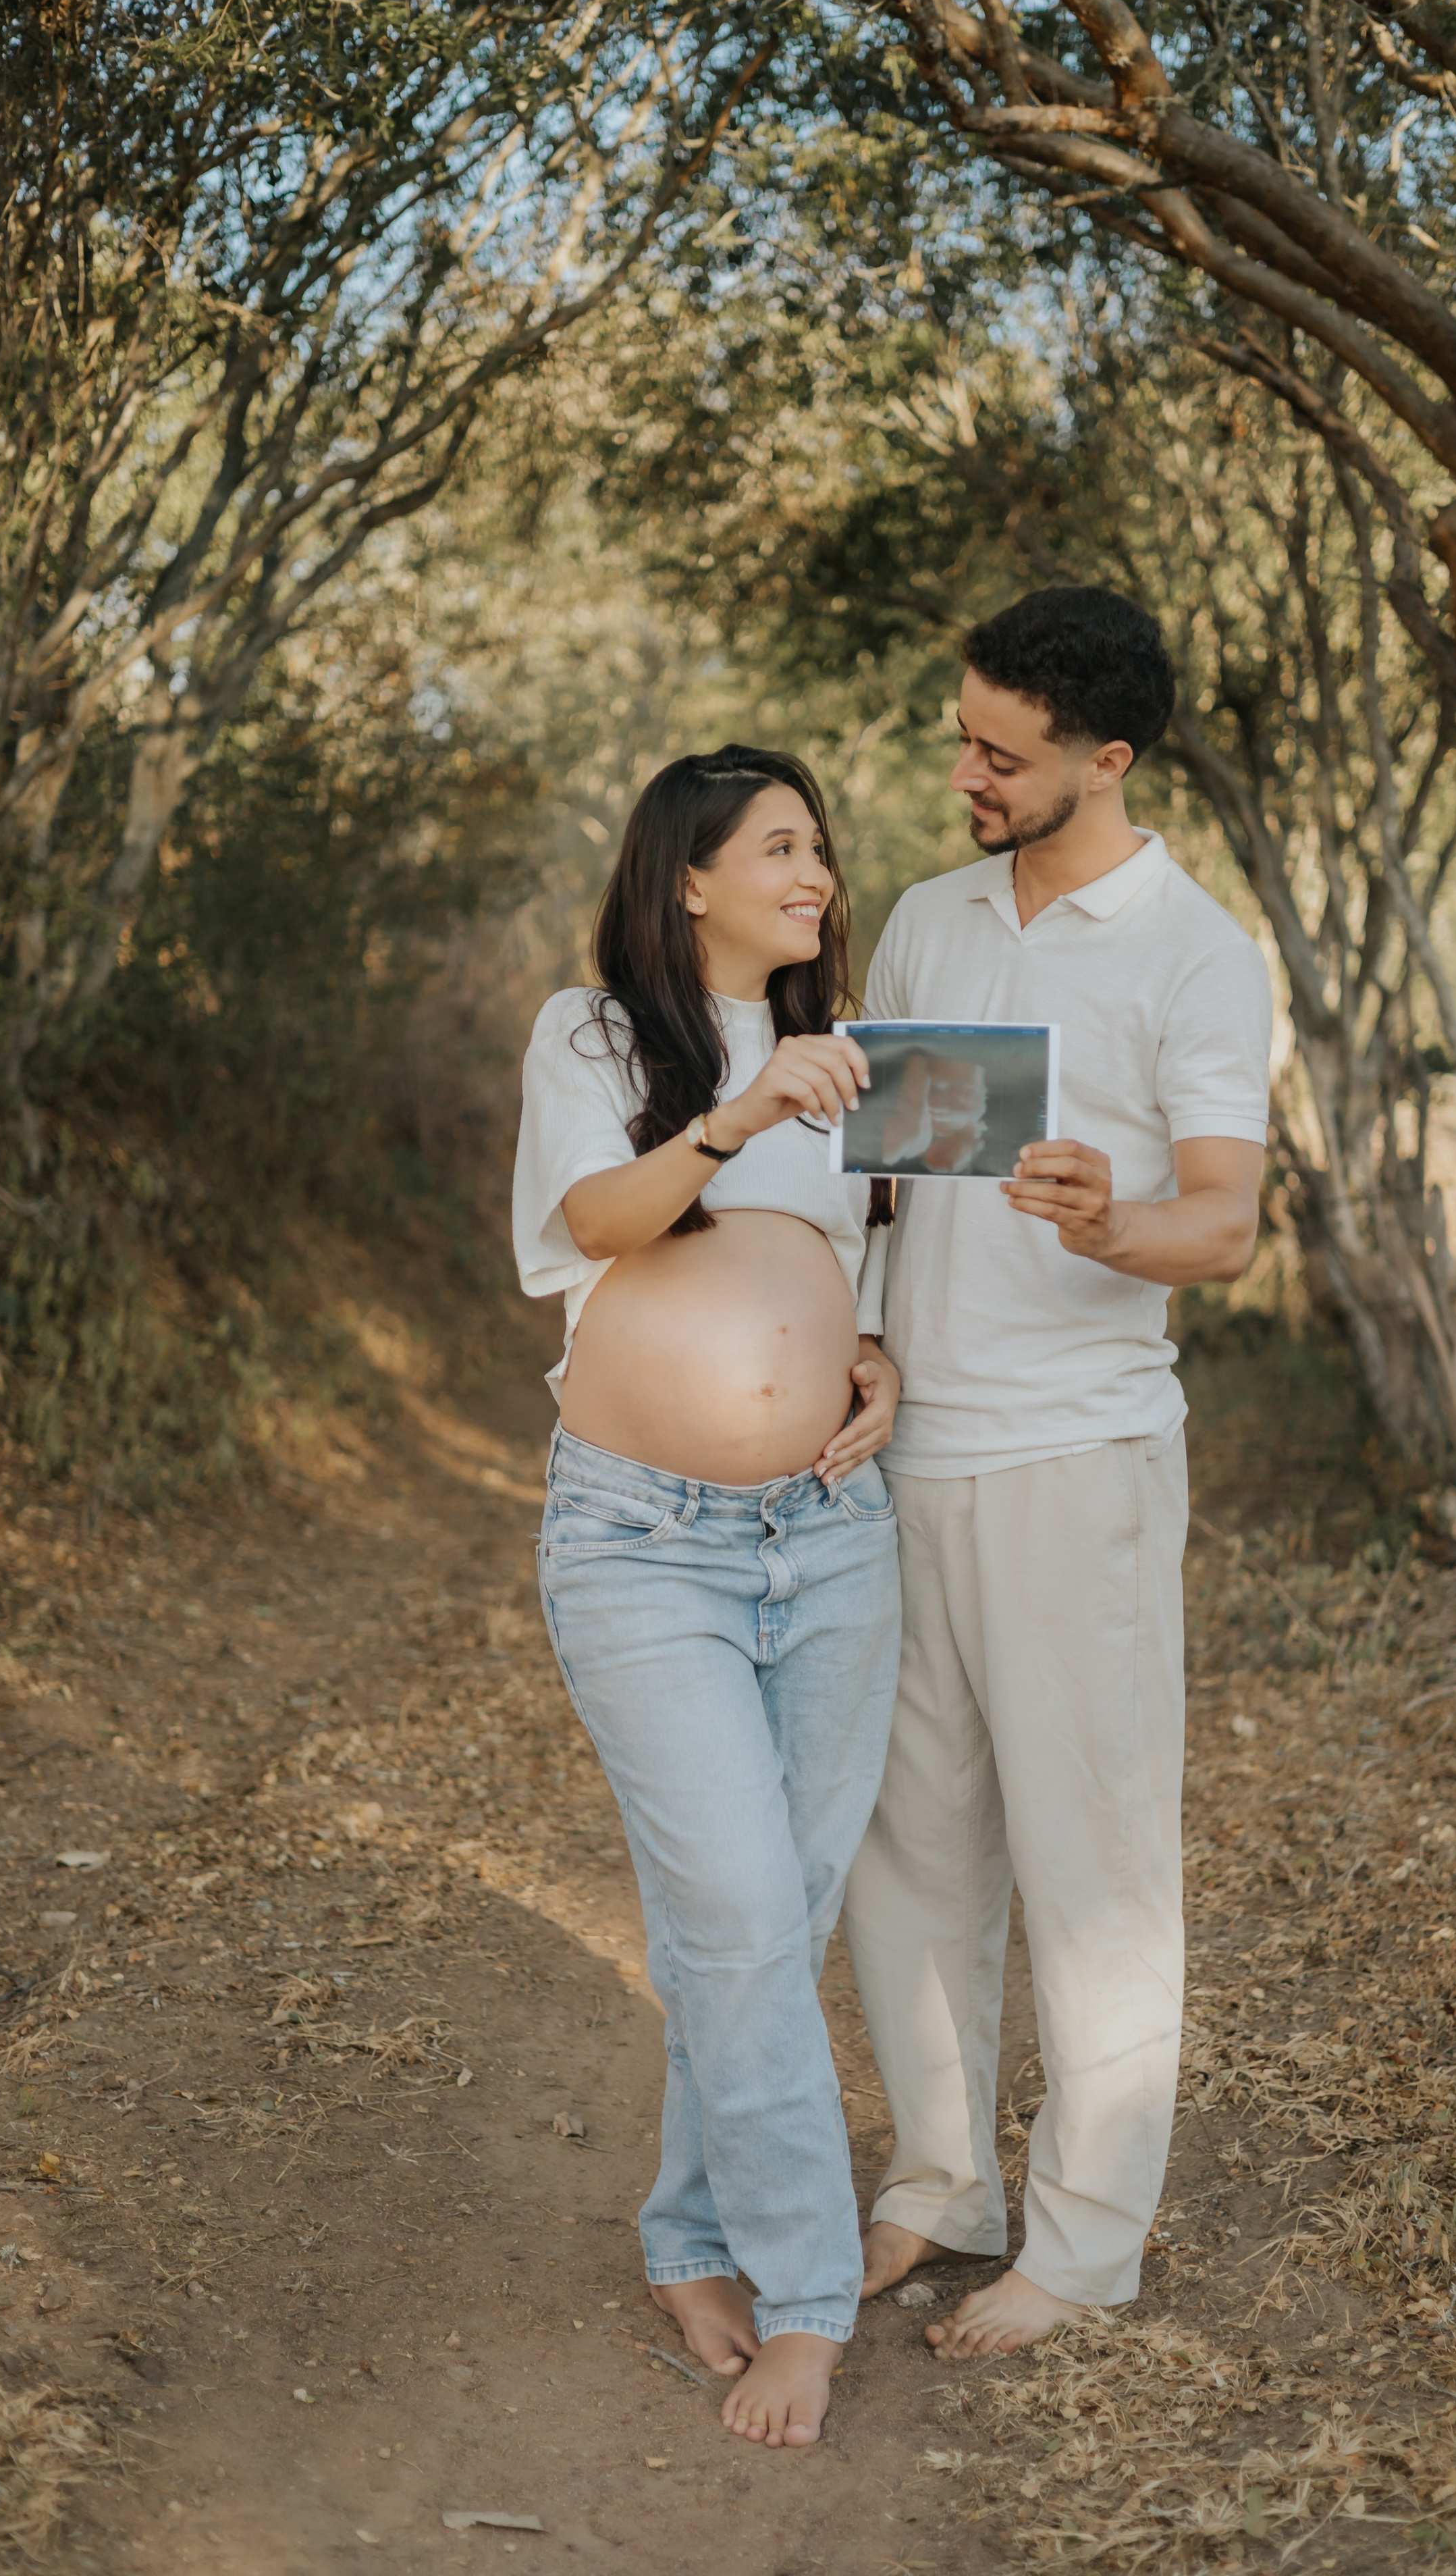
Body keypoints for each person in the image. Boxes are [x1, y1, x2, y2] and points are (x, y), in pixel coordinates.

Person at [844, 586, 1272, 2357]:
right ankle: (940, 2182)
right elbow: (890, 1192)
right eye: (963, 739)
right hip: (908, 1455)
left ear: (1105, 759)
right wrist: (855, 1349)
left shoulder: (1195, 953)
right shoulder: (931, 923)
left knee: (1093, 1863)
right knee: (911, 1847)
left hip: (1078, 1462)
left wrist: (1117, 1225)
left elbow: (1227, 1226)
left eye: (1000, 754)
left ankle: (1084, 2242)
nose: (966, 773)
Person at [512, 745, 902, 2447]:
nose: (813, 874)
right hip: (639, 1545)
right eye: (778, 847)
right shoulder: (592, 1035)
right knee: (741, 1916)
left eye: (819, 849)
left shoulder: (870, 1061)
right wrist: (736, 1116)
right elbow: (589, 1219)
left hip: (828, 1537)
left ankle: (686, 2233)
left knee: (764, 1928)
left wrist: (873, 1356)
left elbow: (867, 1266)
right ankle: (807, 2294)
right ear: (687, 875)